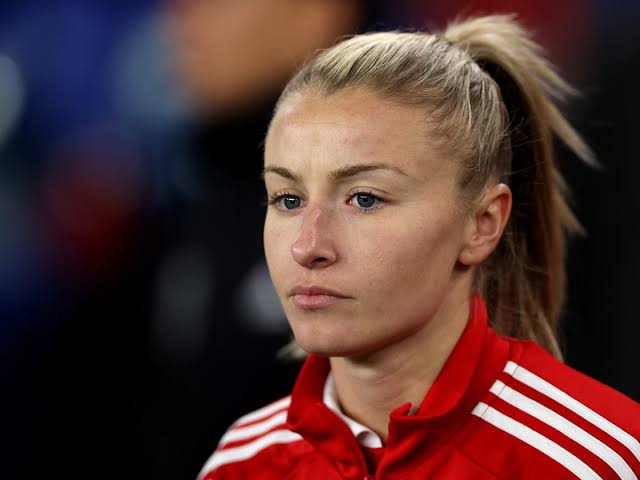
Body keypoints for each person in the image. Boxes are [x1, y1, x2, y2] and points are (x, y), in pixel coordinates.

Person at [198, 15, 640, 479]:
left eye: (364, 199)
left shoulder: (602, 463)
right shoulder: (239, 465)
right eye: (288, 199)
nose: (307, 247)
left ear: (483, 224)